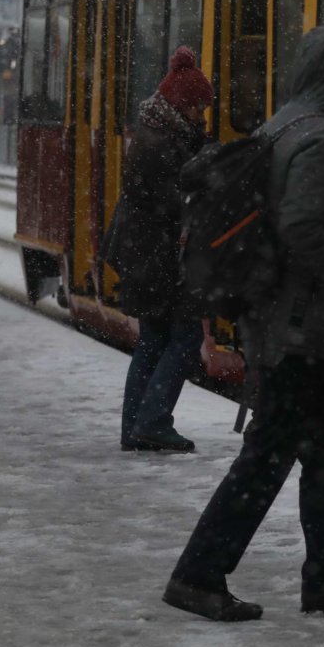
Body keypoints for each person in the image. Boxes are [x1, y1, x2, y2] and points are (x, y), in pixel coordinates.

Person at [164, 25, 324, 622]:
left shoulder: (284, 122)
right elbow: (299, 225)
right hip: (294, 321)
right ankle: (199, 573)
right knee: (269, 452)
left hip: (275, 313)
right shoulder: (321, 137)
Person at [115, 47, 213, 454]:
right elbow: (172, 202)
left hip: (146, 255)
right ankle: (152, 421)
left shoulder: (158, 134)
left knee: (154, 339)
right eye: (199, 108)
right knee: (185, 337)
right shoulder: (159, 144)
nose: (202, 116)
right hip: (156, 258)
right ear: (183, 104)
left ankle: (137, 425)